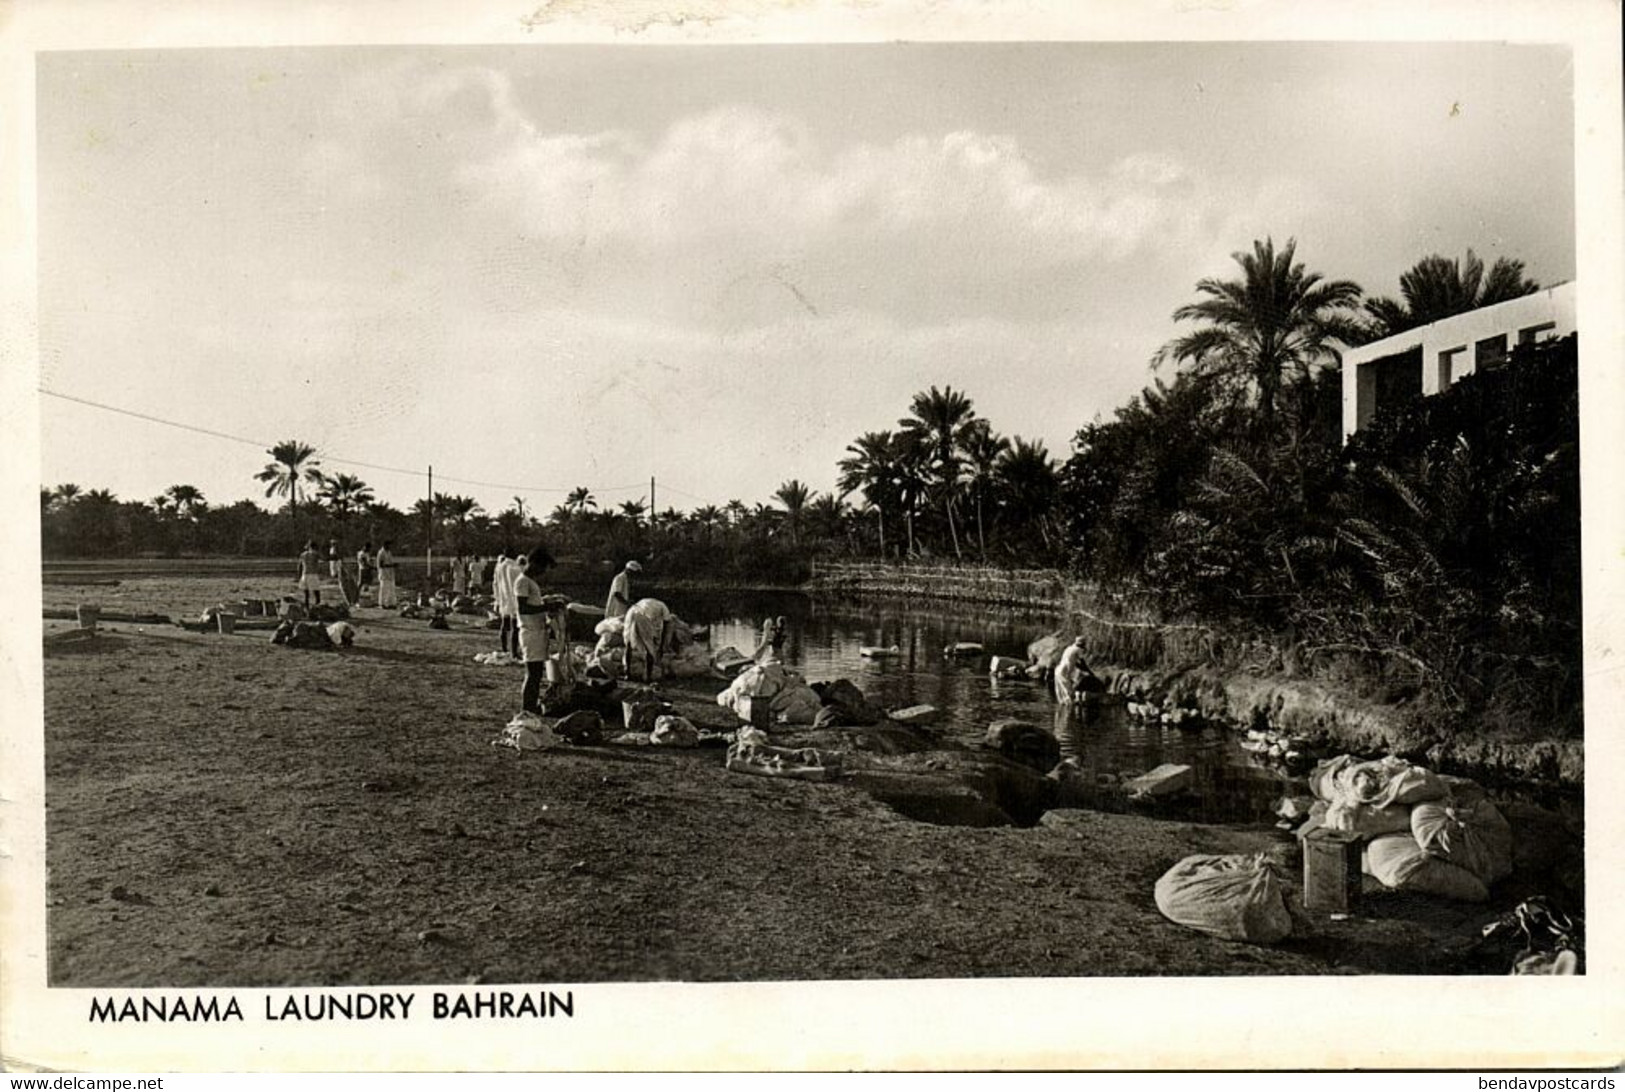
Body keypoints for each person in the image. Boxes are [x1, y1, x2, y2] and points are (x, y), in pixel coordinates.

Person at [514, 546, 558, 716]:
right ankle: (527, 708)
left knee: (537, 673)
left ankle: (531, 705)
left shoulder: (530, 582)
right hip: (529, 632)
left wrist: (546, 603)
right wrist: (546, 606)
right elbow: (523, 608)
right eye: (543, 567)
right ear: (533, 564)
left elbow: (533, 604)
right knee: (532, 673)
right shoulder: (523, 581)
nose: (543, 572)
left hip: (537, 631)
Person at [621, 597, 672, 683]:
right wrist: (661, 645)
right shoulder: (664, 607)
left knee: (629, 643)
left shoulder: (646, 601)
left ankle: (627, 673)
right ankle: (648, 677)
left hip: (631, 612)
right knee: (649, 647)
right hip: (643, 616)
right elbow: (666, 627)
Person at [1054, 637, 1105, 705]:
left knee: (1061, 695)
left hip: (1058, 670)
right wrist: (1090, 672)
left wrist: (1084, 670)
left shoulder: (1069, 648)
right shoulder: (1078, 650)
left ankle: (1062, 711)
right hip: (1064, 672)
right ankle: (1070, 712)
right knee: (1069, 694)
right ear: (1082, 644)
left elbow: (1075, 663)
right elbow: (1082, 663)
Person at [492, 551, 517, 661]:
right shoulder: (513, 567)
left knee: (504, 624)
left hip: (503, 598)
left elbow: (495, 584)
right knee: (515, 627)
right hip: (513, 599)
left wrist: (497, 599)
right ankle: (514, 652)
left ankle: (504, 648)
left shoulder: (499, 566)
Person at [296, 540, 323, 610]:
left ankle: (307, 606)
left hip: (305, 574)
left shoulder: (303, 555)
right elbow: (323, 559)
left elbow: (299, 566)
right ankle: (317, 604)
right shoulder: (315, 554)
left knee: (306, 593)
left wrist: (299, 575)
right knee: (316, 591)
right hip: (313, 574)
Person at [376, 540, 398, 609]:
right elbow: (381, 565)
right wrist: (391, 565)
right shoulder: (381, 553)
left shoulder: (389, 552)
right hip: (384, 573)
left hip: (390, 574)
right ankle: (382, 603)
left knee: (391, 589)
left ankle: (391, 603)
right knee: (384, 589)